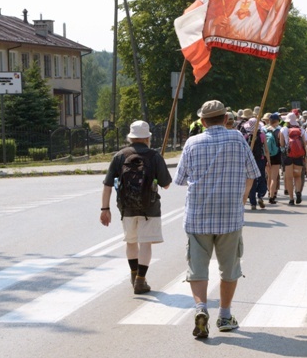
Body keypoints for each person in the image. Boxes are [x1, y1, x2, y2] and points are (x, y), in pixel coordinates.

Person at [174, 100, 260, 339]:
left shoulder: (192, 142)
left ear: (202, 122)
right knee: (229, 269)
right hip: (230, 217)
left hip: (198, 217)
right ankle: (224, 315)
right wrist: (242, 195)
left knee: (197, 268)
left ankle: (201, 309)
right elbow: (253, 173)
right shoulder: (238, 139)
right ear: (225, 118)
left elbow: (180, 179)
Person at [100, 120, 172, 295]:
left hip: (127, 207)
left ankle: (134, 275)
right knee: (145, 243)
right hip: (150, 208)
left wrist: (105, 209)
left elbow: (108, 185)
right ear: (147, 138)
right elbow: (166, 184)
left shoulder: (119, 156)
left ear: (130, 137)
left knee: (131, 241)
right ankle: (141, 279)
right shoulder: (155, 156)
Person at [240, 117, 270, 210]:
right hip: (260, 159)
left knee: (251, 181)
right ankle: (260, 195)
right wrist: (269, 160)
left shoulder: (245, 136)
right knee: (261, 178)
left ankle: (253, 203)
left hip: (249, 160)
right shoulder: (262, 135)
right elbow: (266, 150)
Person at [280, 112, 307, 206]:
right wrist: (306, 155)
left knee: (289, 178)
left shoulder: (283, 130)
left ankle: (291, 199)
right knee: (298, 176)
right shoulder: (301, 130)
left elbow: (282, 145)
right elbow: (306, 143)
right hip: (298, 156)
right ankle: (298, 192)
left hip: (288, 156)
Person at [265, 113, 283, 204]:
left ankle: (269, 192)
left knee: (269, 176)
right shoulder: (279, 130)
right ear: (277, 121)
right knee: (274, 178)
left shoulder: (264, 129)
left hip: (266, 155)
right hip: (276, 155)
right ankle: (272, 196)